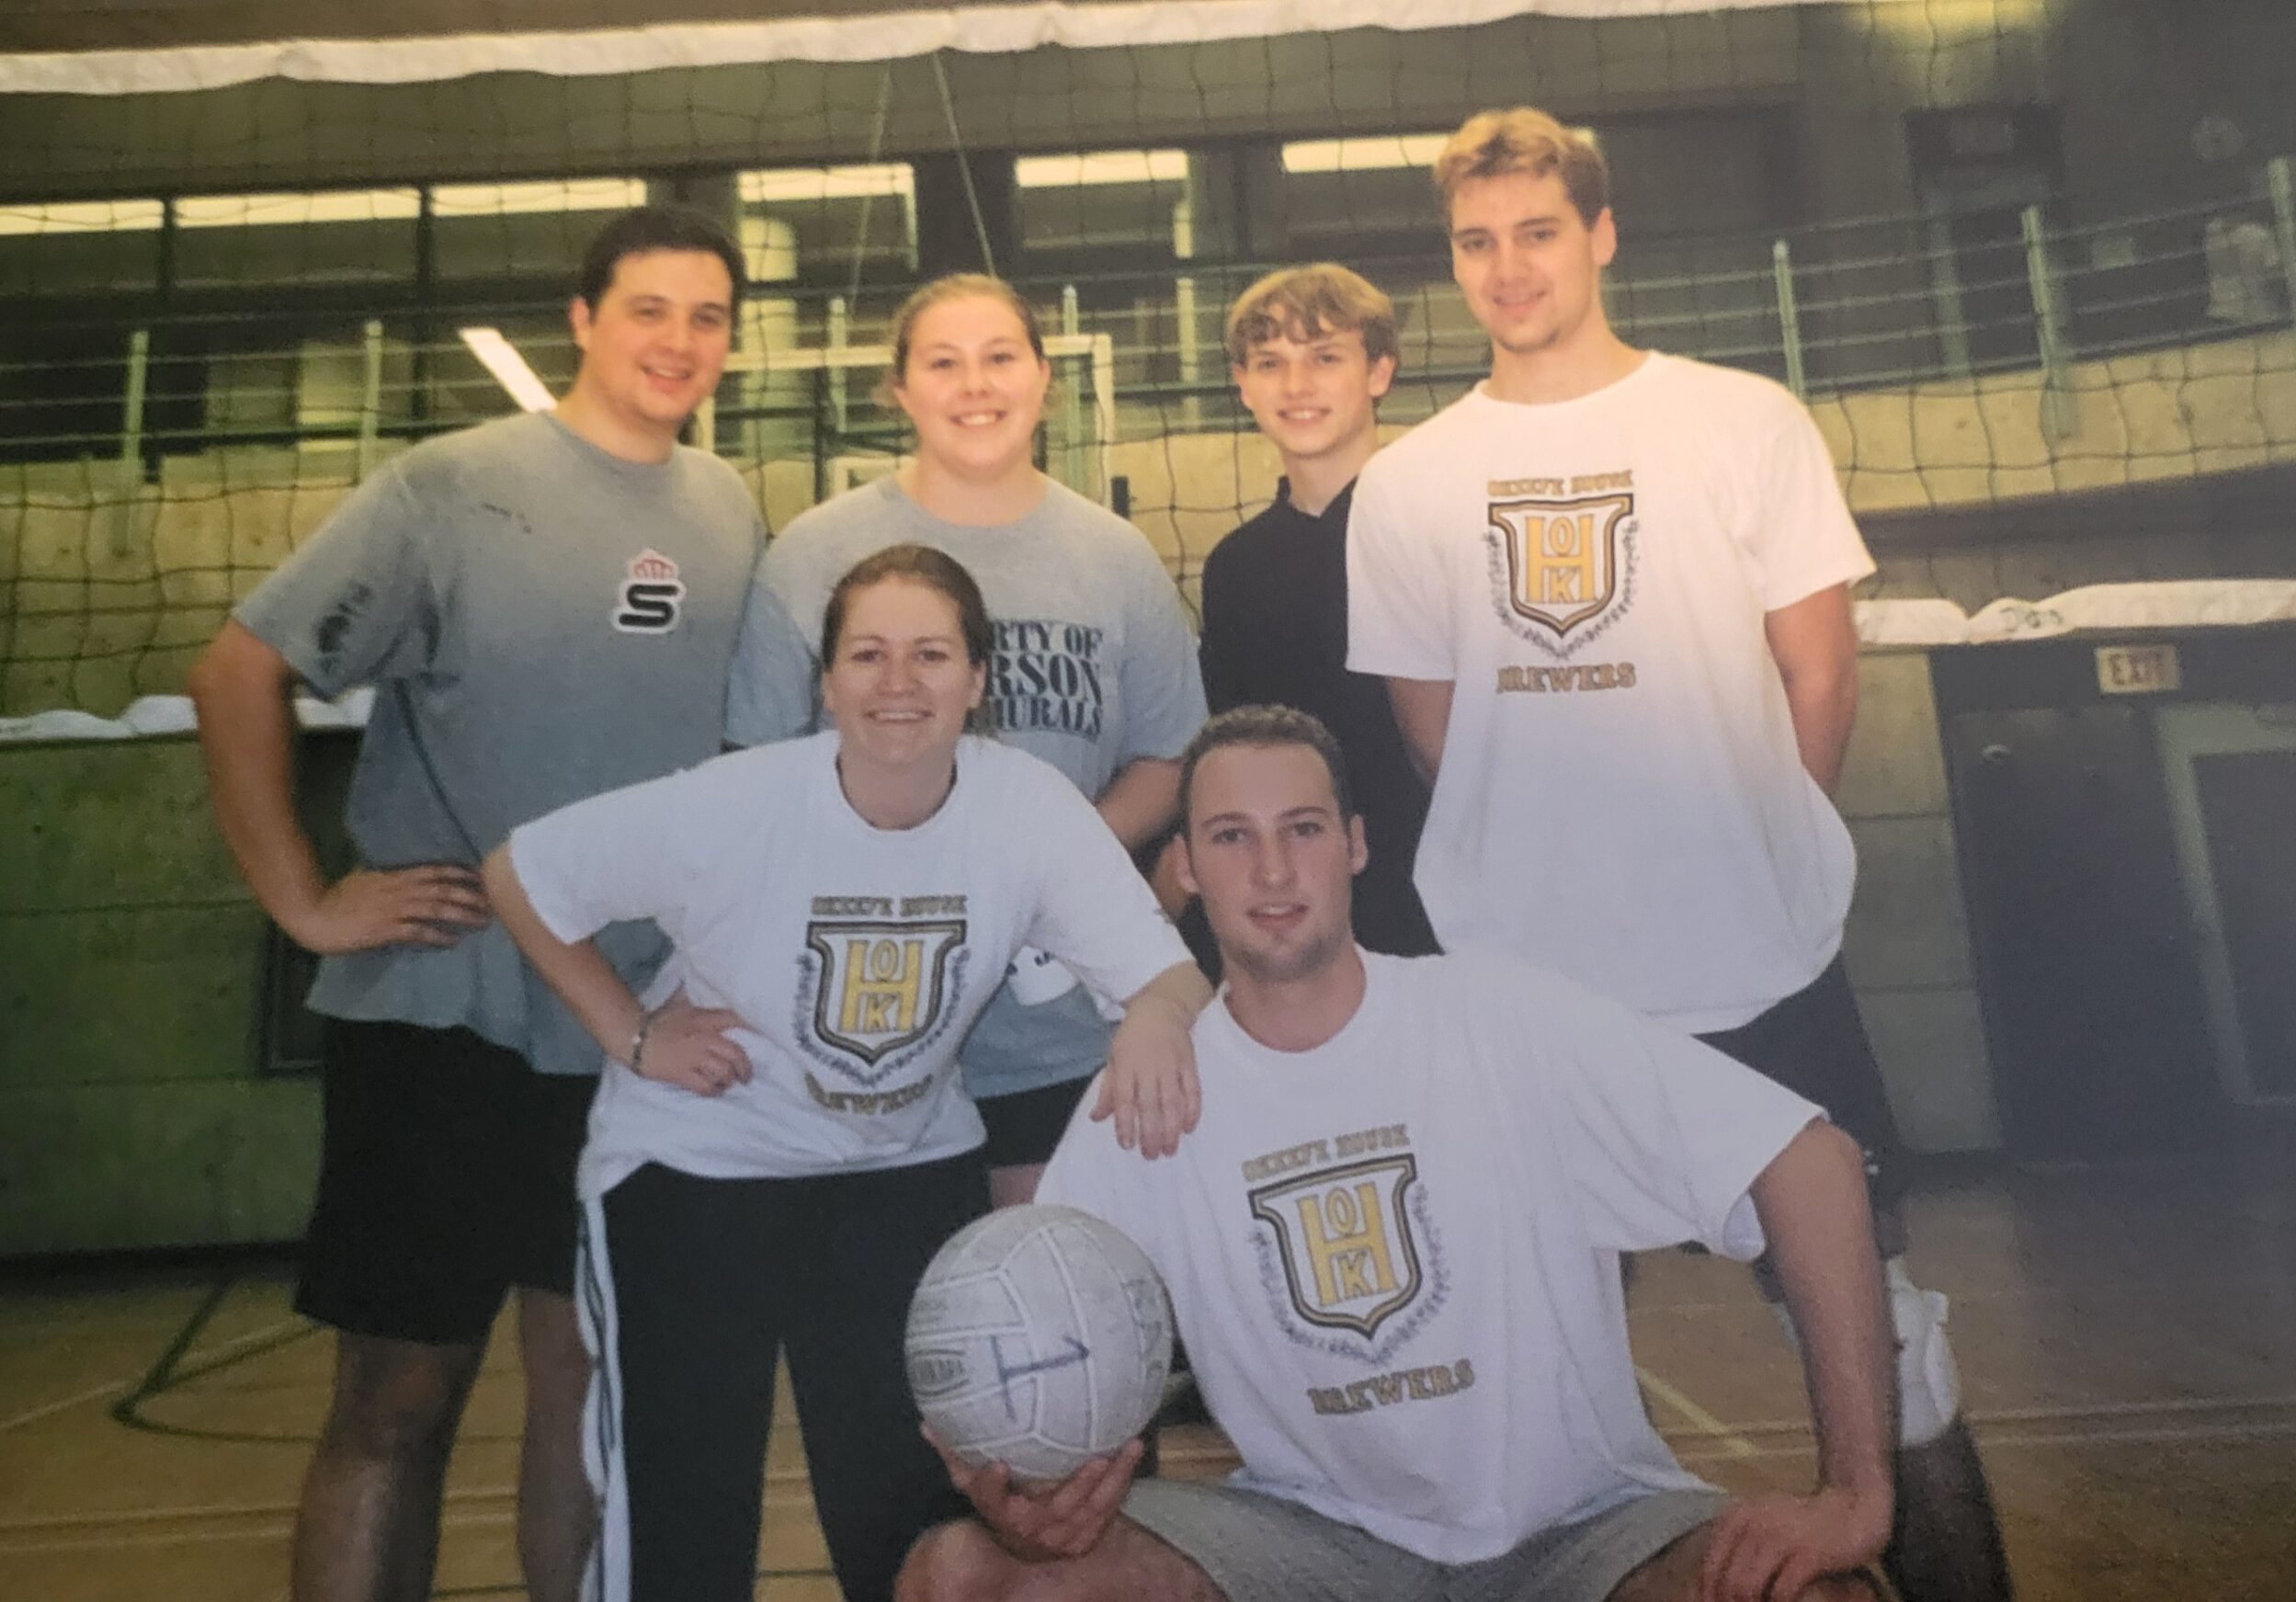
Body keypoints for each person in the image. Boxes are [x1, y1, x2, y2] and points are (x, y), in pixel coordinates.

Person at [1341, 108, 2011, 1602]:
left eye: (1536, 230)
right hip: (1526, 986)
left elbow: (1820, 677)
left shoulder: (1740, 419)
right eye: (1476, 241)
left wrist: (1742, 851)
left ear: (1601, 233)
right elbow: (1436, 728)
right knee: (1511, 1352)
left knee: (1887, 1342)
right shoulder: (1414, 481)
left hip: (1756, 964)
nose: (1507, 267)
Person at [898, 706, 1895, 1602]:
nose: (1274, 871)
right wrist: (1029, 1498)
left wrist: (1855, 1491)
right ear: (1188, 871)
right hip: (1308, 1543)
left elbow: (1811, 1163)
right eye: (1232, 839)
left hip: (1583, 1534)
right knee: (964, 1580)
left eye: (1303, 829)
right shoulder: (1154, 1100)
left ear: (1355, 845)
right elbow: (1031, 1343)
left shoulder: (1499, 1018)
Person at [187, 205, 759, 1602]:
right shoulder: (446, 485)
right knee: (399, 1395)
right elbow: (237, 670)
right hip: (449, 1020)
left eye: (708, 317)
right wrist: (307, 900)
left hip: (630, 1033)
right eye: (648, 309)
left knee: (586, 1390)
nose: (677, 341)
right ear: (582, 319)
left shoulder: (734, 509)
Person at [483, 545, 1210, 1602]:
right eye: (867, 655)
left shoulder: (1027, 806)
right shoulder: (737, 806)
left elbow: (1172, 982)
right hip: (696, 1167)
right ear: (825, 684)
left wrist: (1151, 1014)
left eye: (929, 654)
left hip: (901, 1172)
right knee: (683, 1522)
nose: (899, 682)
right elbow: (524, 873)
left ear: (978, 678)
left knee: (908, 1522)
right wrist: (635, 1037)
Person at [726, 273, 1208, 1205]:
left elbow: (1169, 756)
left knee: (1049, 1306)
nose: (975, 385)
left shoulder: (1112, 556)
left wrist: (1043, 864)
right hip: (863, 1025)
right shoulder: (816, 552)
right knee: (879, 1327)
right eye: (943, 363)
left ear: (1043, 381)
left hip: (1053, 1024)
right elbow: (756, 770)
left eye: (999, 358)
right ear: (899, 391)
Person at [1186, 264, 1436, 962]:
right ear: (1242, 383)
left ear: (1379, 371)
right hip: (1299, 909)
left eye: (1325, 358)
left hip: (1440, 903)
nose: (1296, 387)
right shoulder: (1237, 565)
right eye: (1271, 363)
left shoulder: (1441, 529)